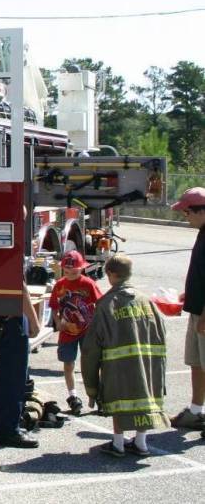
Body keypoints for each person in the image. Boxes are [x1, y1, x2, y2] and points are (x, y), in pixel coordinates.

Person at [81, 254, 168, 457]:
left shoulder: (106, 304)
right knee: (144, 397)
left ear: (110, 274)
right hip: (147, 363)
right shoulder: (147, 302)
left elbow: (91, 348)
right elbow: (162, 333)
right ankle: (140, 442)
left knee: (118, 399)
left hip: (117, 366)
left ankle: (118, 444)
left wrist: (91, 387)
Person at [0, 281, 42, 447]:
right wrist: (34, 321)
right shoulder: (10, 255)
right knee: (14, 378)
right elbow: (20, 287)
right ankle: (9, 431)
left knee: (3, 375)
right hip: (11, 321)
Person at [49, 249, 103, 414]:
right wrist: (58, 322)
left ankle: (98, 396)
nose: (70, 274)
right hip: (67, 332)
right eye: (66, 271)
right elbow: (54, 306)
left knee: (91, 364)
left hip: (87, 331)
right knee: (68, 364)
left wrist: (98, 324)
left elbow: (100, 302)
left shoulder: (88, 283)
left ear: (82, 268)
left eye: (74, 271)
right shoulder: (60, 285)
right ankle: (73, 396)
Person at [168, 186, 205, 430]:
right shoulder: (202, 231)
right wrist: (189, 295)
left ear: (201, 211)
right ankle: (196, 411)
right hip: (197, 309)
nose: (186, 217)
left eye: (187, 212)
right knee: (196, 362)